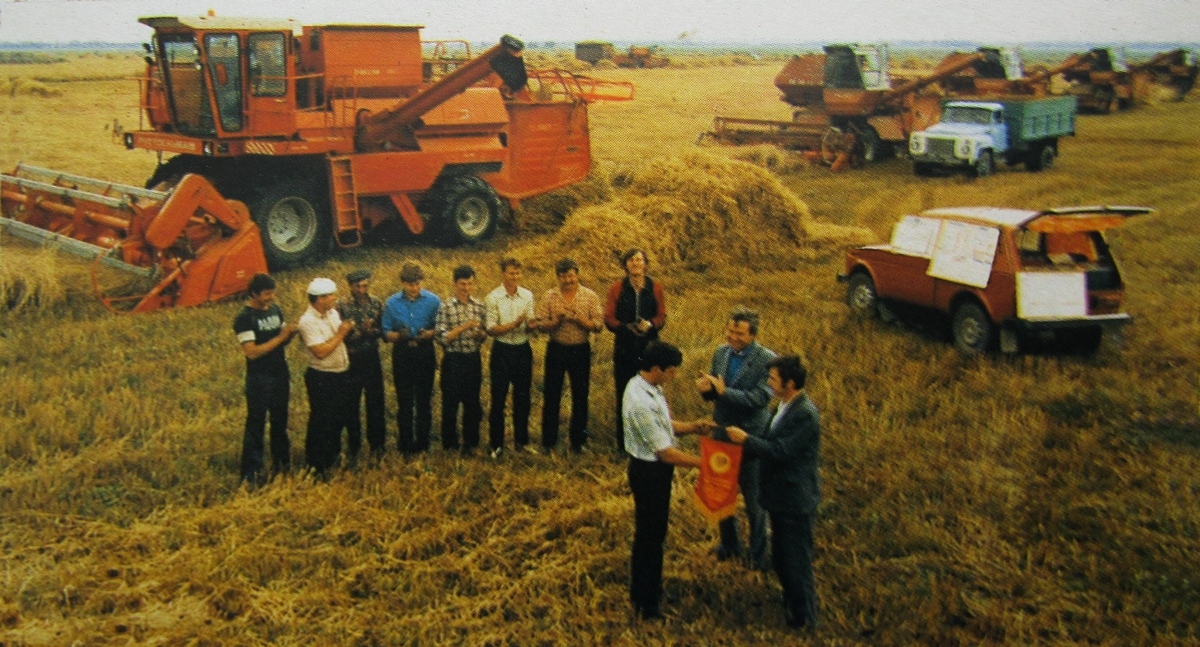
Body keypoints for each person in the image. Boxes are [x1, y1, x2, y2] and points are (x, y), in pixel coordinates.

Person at [726, 355, 821, 631]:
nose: (768, 384)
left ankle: (805, 618)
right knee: (781, 557)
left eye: (773, 379)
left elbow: (780, 451)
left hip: (794, 500)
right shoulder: (783, 405)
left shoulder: (804, 414)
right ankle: (792, 604)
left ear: (790, 383)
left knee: (796, 560)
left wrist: (746, 440)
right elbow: (768, 443)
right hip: (780, 497)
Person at [623, 340, 708, 621]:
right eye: (671, 371)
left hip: (655, 470)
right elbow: (665, 453)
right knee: (649, 538)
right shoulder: (640, 402)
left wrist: (694, 427)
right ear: (657, 368)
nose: (674, 376)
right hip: (649, 473)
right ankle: (646, 603)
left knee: (655, 535)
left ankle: (651, 590)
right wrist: (704, 465)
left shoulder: (650, 388)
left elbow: (665, 427)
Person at [696, 306, 776, 570]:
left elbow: (760, 399)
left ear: (753, 334)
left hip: (750, 438)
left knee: (754, 500)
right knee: (722, 493)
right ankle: (729, 545)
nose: (732, 336)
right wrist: (706, 391)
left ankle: (758, 554)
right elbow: (716, 393)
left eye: (739, 333)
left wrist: (724, 392)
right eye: (730, 330)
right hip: (722, 435)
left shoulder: (768, 360)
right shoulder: (720, 353)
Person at [531, 258, 605, 453]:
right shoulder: (550, 295)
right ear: (558, 277)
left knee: (580, 396)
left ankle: (578, 442)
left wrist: (582, 321)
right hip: (557, 349)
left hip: (580, 350)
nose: (568, 280)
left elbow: (598, 325)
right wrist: (555, 320)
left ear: (577, 275)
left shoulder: (589, 296)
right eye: (563, 276)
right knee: (552, 395)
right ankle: (549, 442)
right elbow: (540, 324)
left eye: (571, 275)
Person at [232, 273, 297, 484]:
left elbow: (282, 341)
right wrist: (280, 337)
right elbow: (251, 352)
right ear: (254, 294)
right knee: (256, 423)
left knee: (280, 421)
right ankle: (251, 472)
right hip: (259, 377)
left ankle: (282, 465)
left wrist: (289, 334)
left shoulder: (276, 310)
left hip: (280, 372)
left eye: (273, 292)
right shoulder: (244, 318)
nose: (271, 297)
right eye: (267, 294)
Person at [605, 248, 667, 453]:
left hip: (649, 347)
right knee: (624, 393)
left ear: (645, 264)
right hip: (625, 346)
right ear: (625, 265)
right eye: (631, 260)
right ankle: (624, 445)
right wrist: (625, 327)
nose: (636, 264)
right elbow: (609, 318)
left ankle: (651, 441)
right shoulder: (617, 288)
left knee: (649, 392)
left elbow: (662, 316)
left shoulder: (655, 287)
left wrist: (651, 325)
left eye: (639, 260)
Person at [382, 261, 441, 455]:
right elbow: (385, 332)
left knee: (424, 400)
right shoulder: (391, 303)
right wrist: (399, 336)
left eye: (417, 283)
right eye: (409, 284)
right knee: (405, 401)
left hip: (424, 352)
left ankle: (423, 443)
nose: (414, 288)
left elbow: (439, 328)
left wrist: (429, 334)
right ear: (402, 282)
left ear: (421, 281)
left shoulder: (433, 301)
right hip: (403, 352)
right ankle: (405, 444)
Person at [297, 277, 355, 476]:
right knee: (322, 420)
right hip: (322, 376)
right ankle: (316, 464)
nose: (334, 299)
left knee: (338, 418)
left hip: (339, 374)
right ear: (319, 299)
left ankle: (332, 457)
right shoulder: (308, 322)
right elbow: (320, 351)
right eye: (330, 295)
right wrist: (342, 334)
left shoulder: (332, 313)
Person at [484, 257, 536, 457]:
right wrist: (514, 324)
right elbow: (491, 329)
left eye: (517, 273)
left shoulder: (527, 295)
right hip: (502, 351)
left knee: (523, 397)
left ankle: (521, 442)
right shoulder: (493, 298)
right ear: (503, 274)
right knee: (499, 398)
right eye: (511, 273)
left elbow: (529, 322)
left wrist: (533, 325)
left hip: (523, 349)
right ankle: (496, 445)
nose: (515, 277)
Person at [436, 265, 489, 453]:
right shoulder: (446, 306)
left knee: (472, 401)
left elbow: (484, 334)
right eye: (462, 284)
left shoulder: (479, 305)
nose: (466, 288)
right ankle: (450, 444)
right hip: (453, 360)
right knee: (450, 402)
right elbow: (441, 337)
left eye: (469, 284)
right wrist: (463, 328)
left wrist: (480, 335)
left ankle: (470, 443)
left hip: (472, 359)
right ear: (455, 283)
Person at [337, 269, 386, 461]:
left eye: (365, 285)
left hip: (372, 357)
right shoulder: (342, 305)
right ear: (350, 286)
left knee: (376, 402)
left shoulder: (376, 303)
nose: (362, 289)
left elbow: (382, 330)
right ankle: (354, 445)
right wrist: (360, 331)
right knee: (352, 404)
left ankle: (378, 445)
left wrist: (372, 331)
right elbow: (340, 335)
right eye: (357, 286)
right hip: (352, 359)